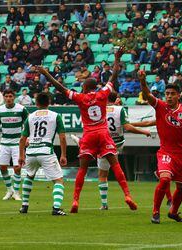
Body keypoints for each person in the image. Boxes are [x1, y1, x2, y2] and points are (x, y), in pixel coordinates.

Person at [38, 46, 138, 213]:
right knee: (115, 165)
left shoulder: (80, 97)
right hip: (103, 133)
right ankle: (127, 195)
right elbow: (113, 76)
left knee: (83, 169)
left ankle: (76, 201)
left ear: (84, 88)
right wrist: (117, 58)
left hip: (89, 134)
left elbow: (60, 88)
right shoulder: (102, 94)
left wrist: (46, 74)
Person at [139, 70, 182, 224]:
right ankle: (155, 212)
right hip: (166, 152)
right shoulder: (160, 106)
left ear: (178, 96)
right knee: (165, 179)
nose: (169, 96)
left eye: (172, 94)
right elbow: (148, 96)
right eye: (167, 93)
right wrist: (143, 82)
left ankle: (173, 212)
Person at [71, 92, 151, 209]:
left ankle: (103, 204)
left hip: (102, 141)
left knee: (102, 174)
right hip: (117, 143)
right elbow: (127, 127)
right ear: (116, 99)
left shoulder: (100, 108)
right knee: (115, 165)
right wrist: (144, 132)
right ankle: (127, 195)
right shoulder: (120, 110)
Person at [19, 93, 67, 215]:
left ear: (36, 103)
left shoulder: (30, 117)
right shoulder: (55, 116)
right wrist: (63, 155)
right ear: (49, 102)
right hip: (46, 152)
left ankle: (24, 206)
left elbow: (22, 139)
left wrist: (21, 155)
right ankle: (56, 209)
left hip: (31, 151)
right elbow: (62, 138)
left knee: (29, 176)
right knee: (58, 180)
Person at [0, 89, 29, 201]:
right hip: (4, 142)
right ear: (3, 97)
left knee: (17, 167)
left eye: (10, 96)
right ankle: (9, 190)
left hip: (18, 142)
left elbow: (28, 124)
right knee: (2, 167)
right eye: (6, 96)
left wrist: (28, 138)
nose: (8, 98)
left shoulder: (21, 109)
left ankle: (16, 192)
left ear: (14, 97)